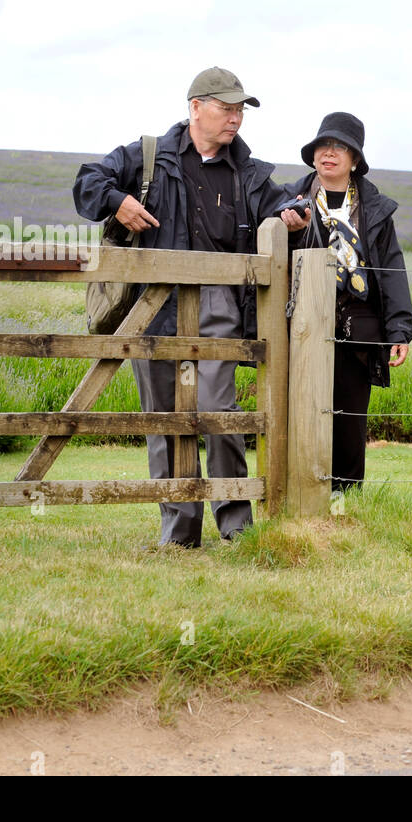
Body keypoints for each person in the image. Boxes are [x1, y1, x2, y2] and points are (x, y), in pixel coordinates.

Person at [73, 67, 307, 547]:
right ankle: (179, 533)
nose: (236, 119)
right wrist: (116, 201)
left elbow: (289, 203)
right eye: (227, 108)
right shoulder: (146, 158)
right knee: (163, 421)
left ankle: (236, 528)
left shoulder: (250, 173)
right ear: (196, 106)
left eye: (241, 110)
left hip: (219, 307)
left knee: (218, 413)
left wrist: (294, 215)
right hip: (152, 309)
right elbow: (86, 181)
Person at [278, 112, 412, 491]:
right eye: (324, 145)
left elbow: (391, 270)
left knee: (349, 420)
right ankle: (302, 499)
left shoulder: (375, 209)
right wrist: (292, 232)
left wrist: (399, 331)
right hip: (303, 325)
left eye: (340, 147)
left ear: (355, 159)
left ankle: (344, 503)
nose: (330, 153)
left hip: (359, 329)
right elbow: (276, 259)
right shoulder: (289, 201)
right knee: (301, 414)